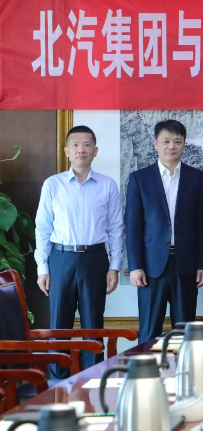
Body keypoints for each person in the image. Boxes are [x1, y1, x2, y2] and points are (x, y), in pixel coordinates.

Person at [34, 125, 124, 379]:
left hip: (95, 259)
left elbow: (117, 229)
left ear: (95, 151)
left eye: (86, 145)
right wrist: (43, 268)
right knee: (59, 325)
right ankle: (56, 383)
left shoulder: (107, 186)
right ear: (66, 151)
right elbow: (43, 228)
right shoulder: (53, 185)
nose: (80, 149)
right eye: (75, 145)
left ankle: (93, 380)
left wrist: (114, 266)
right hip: (60, 259)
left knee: (93, 325)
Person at [125, 119, 203, 343]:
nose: (171, 146)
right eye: (166, 141)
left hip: (186, 264)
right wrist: (135, 266)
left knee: (185, 332)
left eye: (177, 141)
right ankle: (147, 367)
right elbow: (133, 227)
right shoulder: (139, 178)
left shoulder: (197, 178)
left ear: (184, 144)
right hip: (151, 267)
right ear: (155, 143)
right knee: (149, 331)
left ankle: (183, 367)